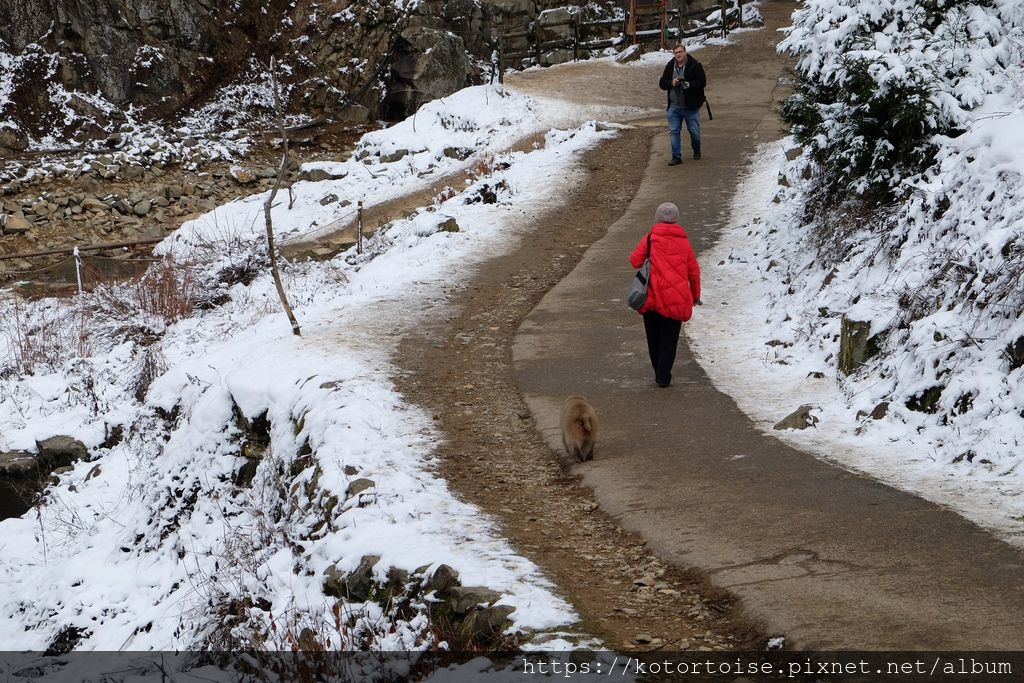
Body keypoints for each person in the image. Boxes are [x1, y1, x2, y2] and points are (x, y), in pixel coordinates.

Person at [628, 202, 701, 388]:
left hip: (651, 298)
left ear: (657, 218)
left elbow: (634, 261)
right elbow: (694, 271)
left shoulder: (650, 239)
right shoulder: (684, 242)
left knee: (653, 339)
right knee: (669, 340)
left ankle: (657, 371)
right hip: (676, 300)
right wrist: (695, 295)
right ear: (676, 219)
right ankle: (663, 375)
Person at [658, 44, 707, 165]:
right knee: (674, 131)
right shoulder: (670, 66)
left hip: (690, 106)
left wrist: (689, 85)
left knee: (694, 131)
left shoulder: (695, 65)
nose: (678, 55)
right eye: (676, 53)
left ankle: (696, 150)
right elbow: (662, 83)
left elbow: (702, 82)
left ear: (685, 52)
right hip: (674, 106)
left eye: (680, 52)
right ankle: (676, 157)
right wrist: (671, 83)